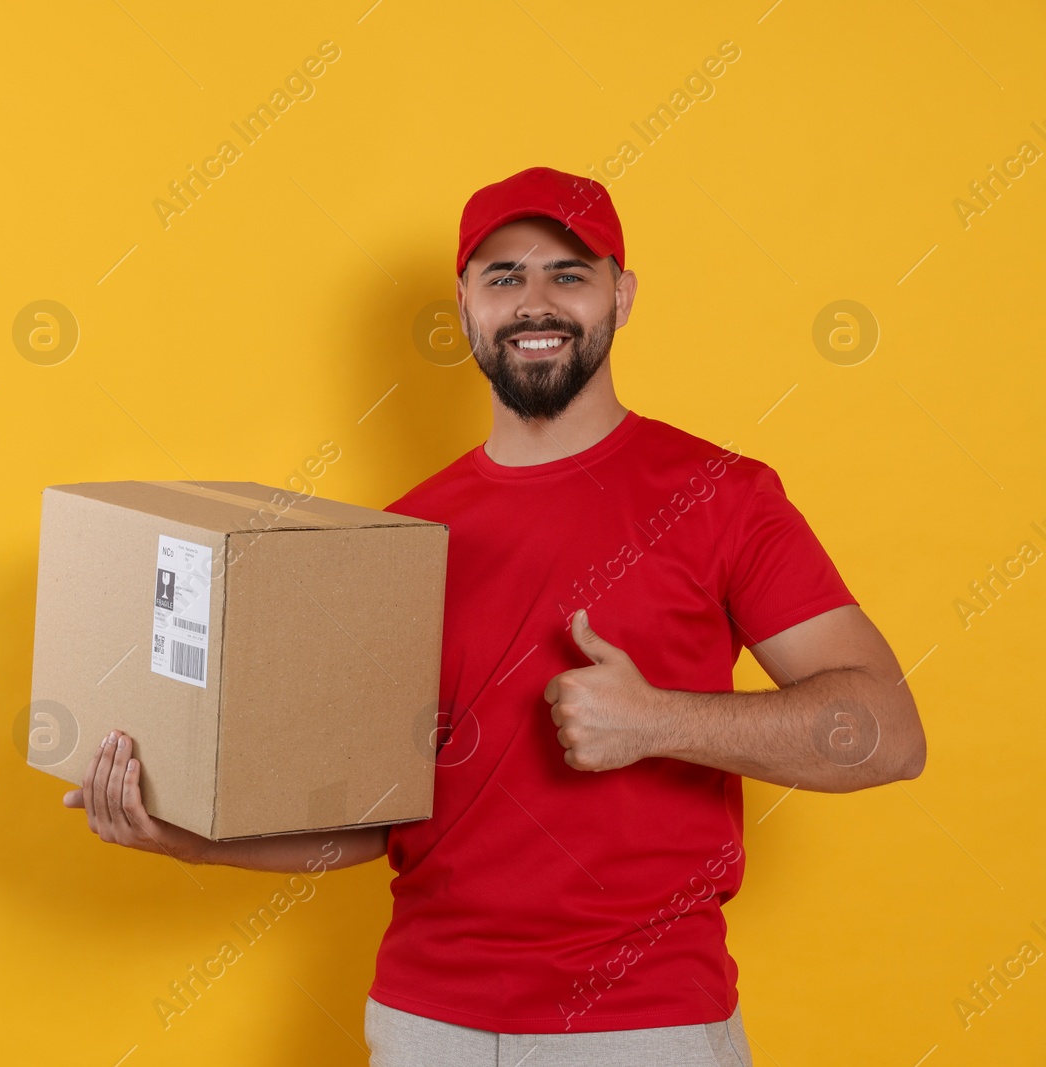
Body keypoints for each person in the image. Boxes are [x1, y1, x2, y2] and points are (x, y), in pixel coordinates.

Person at [63, 166, 926, 1066]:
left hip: (641, 1025)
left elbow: (889, 734)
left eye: (569, 272)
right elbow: (370, 815)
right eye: (504, 277)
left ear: (622, 297)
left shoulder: (724, 496)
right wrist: (192, 840)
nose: (535, 301)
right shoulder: (400, 537)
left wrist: (658, 719)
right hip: (424, 1023)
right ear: (466, 307)